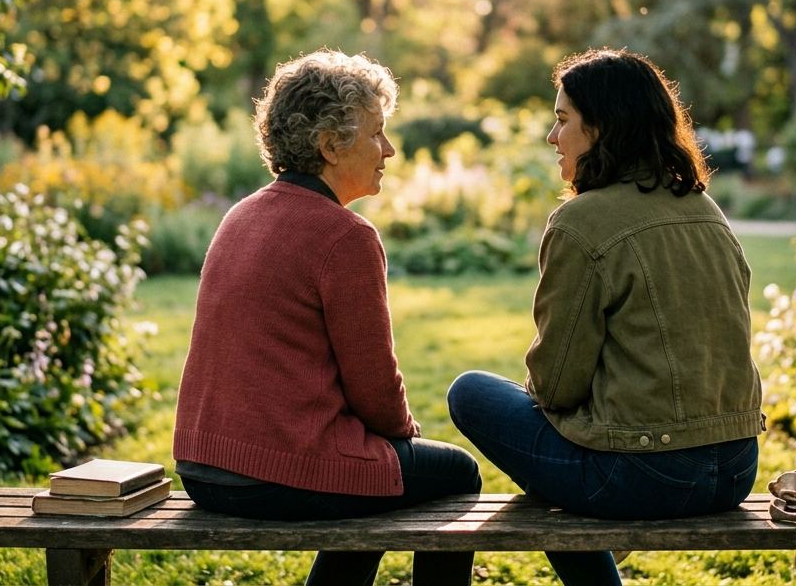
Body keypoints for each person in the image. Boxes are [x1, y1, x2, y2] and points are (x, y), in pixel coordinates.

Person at [447, 49, 764, 586]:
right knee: (548, 464)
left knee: (471, 393)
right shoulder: (704, 209)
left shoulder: (581, 221)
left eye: (563, 119)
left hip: (645, 474)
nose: (553, 137)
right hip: (735, 467)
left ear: (602, 126)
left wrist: (569, 408)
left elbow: (557, 385)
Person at [175, 50, 481, 586]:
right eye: (376, 133)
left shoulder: (240, 214)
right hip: (274, 473)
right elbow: (374, 387)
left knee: (380, 474)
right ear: (328, 144)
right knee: (456, 473)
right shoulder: (346, 238)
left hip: (204, 467)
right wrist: (401, 437)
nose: (388, 150)